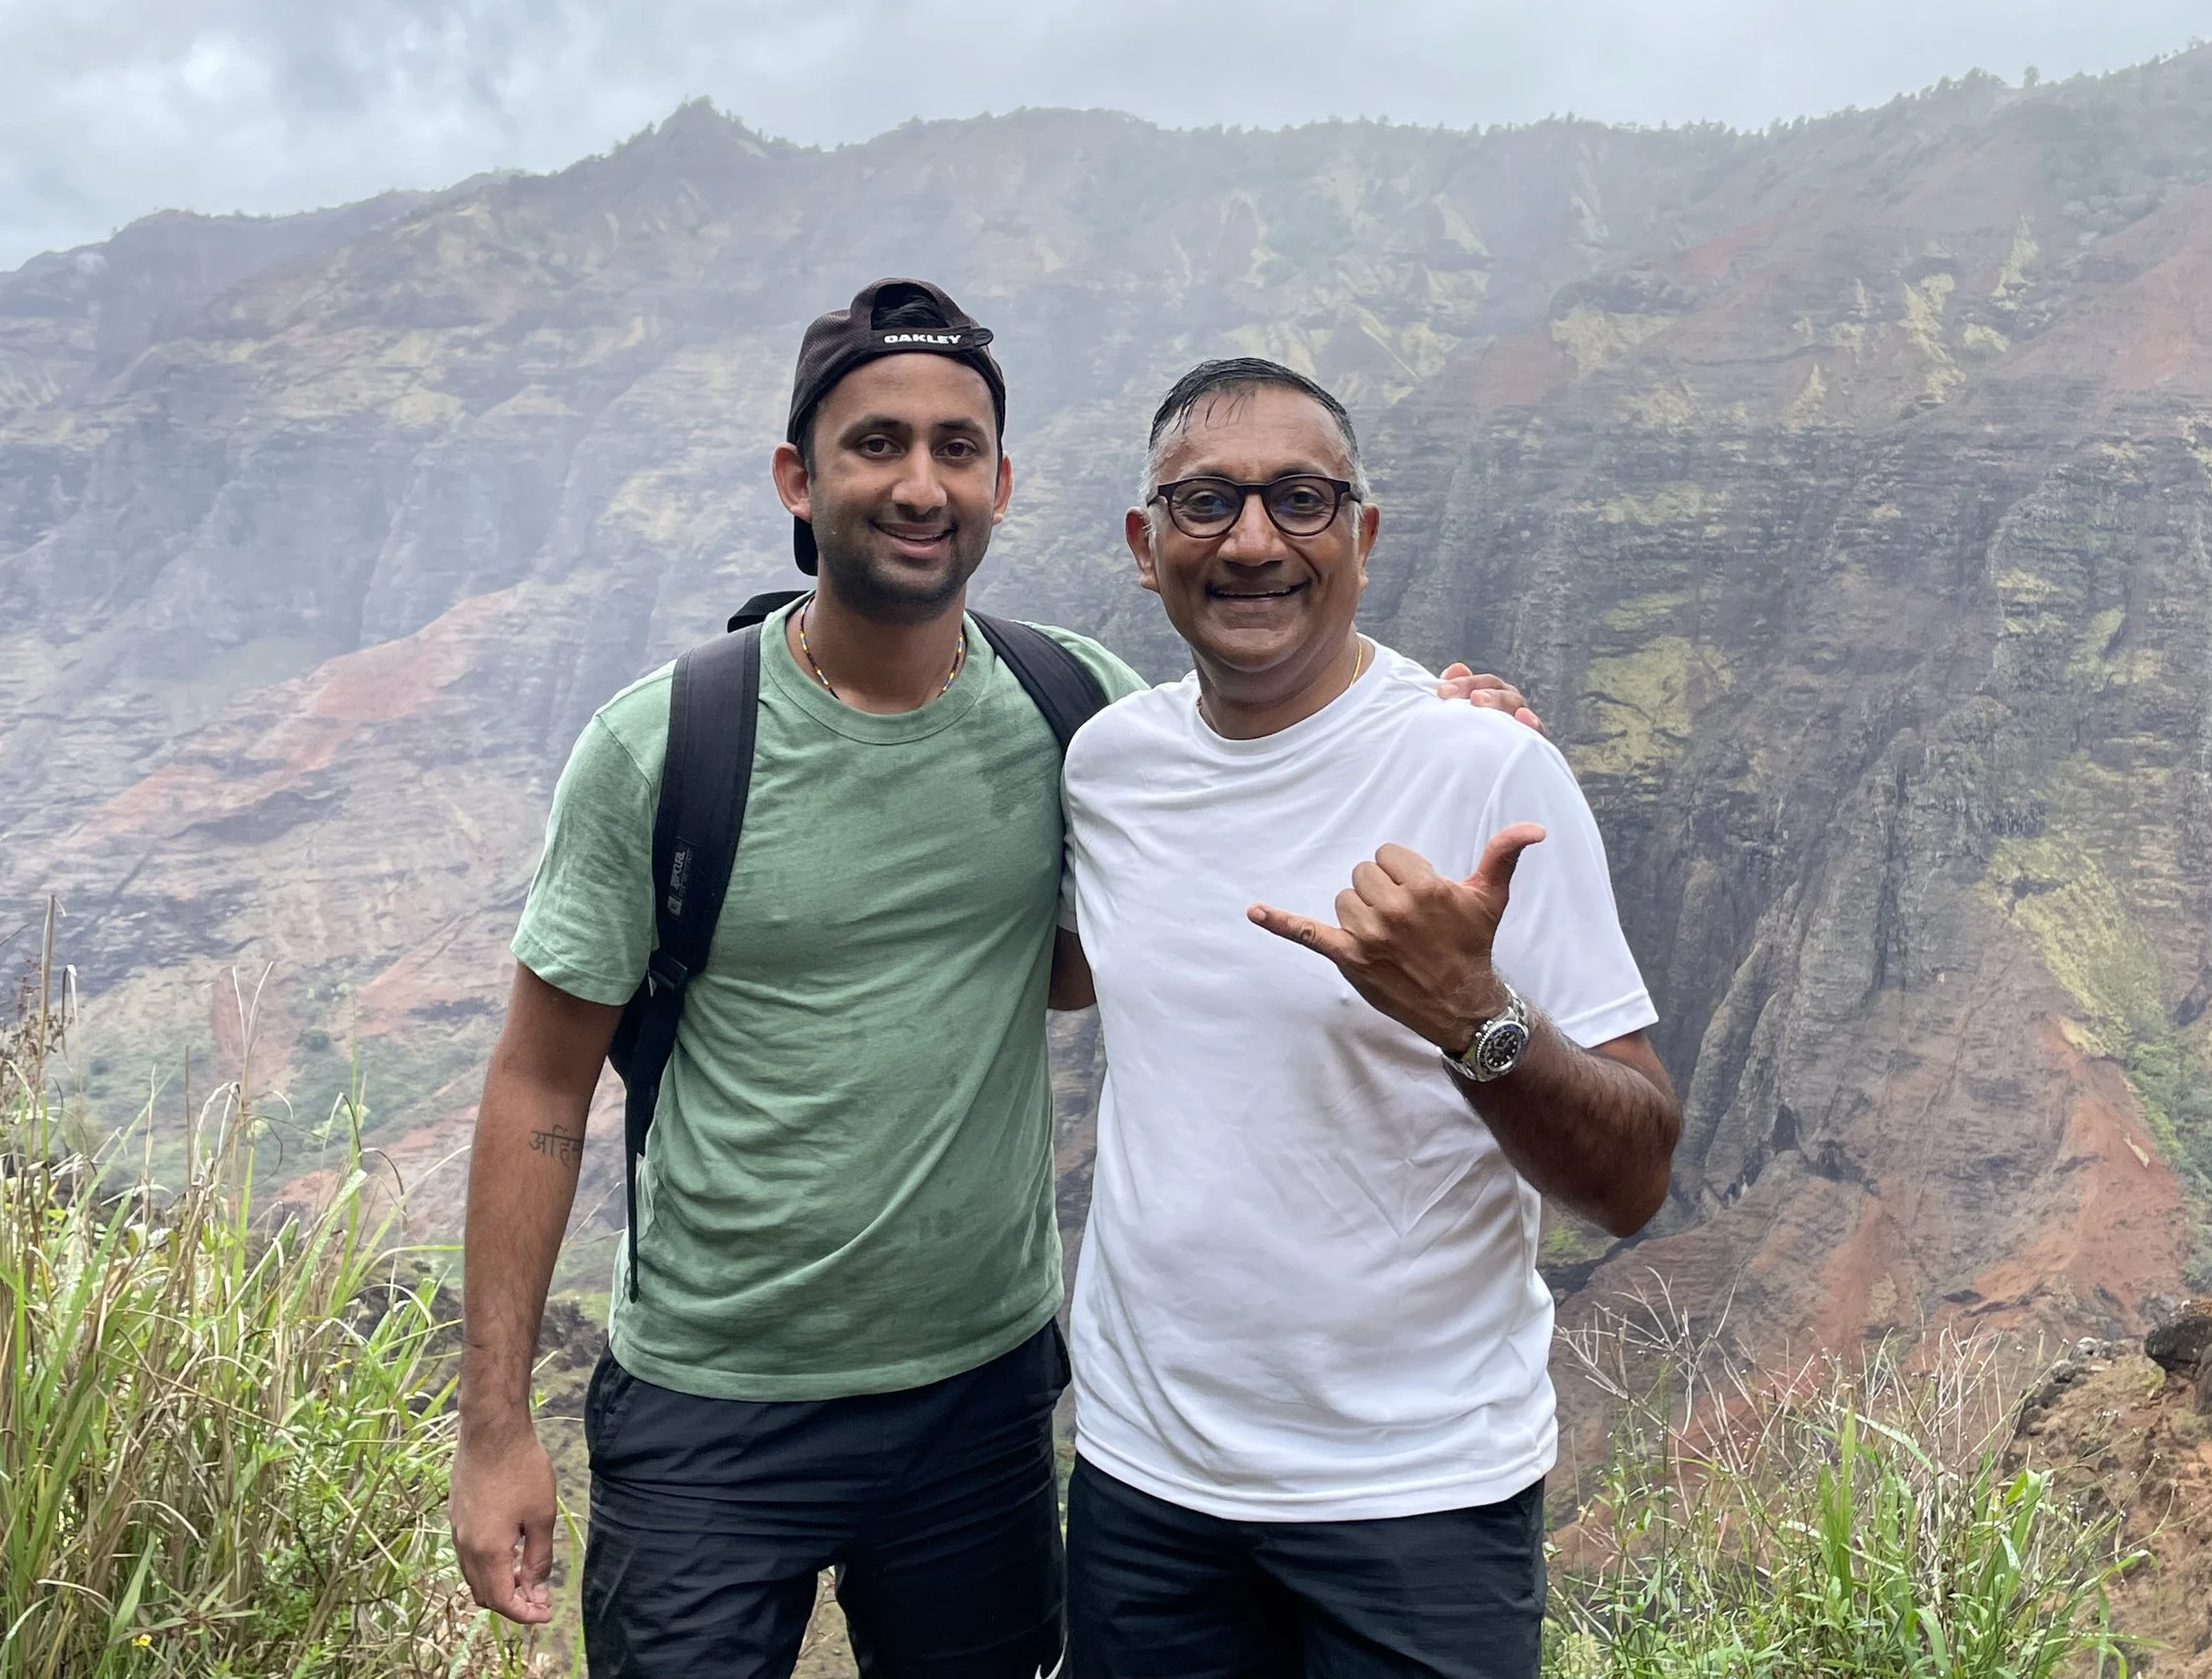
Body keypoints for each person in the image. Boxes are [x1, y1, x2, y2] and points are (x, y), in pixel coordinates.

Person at [448, 284, 1534, 1679]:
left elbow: (1228, 812)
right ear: (799, 476)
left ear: (1003, 482)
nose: (920, 483)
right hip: (711, 1407)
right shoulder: (666, 744)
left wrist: (1449, 740)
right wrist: (494, 1429)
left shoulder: (1070, 710)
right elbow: (539, 1079)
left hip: (980, 1406)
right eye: (877, 444)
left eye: (957, 448)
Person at [1058, 358, 1685, 1679]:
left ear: (1363, 533)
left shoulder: (1487, 767)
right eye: (1204, 503)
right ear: (1142, 542)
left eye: (1300, 500)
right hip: (1143, 1489)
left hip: (1416, 1501)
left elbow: (1633, 1176)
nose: (1250, 541)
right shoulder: (1107, 769)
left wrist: (1475, 1018)